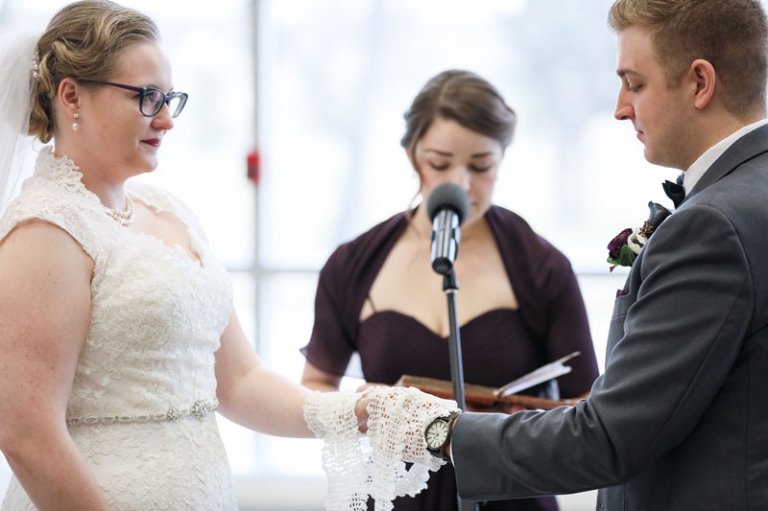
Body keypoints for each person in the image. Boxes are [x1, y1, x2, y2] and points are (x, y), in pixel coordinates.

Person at [0, 2, 443, 510]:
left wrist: (360, 410)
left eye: (169, 98)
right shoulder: (45, 231)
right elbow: (26, 434)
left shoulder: (171, 213)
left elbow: (238, 380)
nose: (165, 120)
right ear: (71, 95)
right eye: (147, 98)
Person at [395, 0, 768, 509]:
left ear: (700, 83)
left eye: (634, 83)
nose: (620, 107)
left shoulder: (710, 228)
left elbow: (609, 436)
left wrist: (441, 430)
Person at [300, 69, 600, 511]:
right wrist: (361, 410)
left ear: (502, 159)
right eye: (440, 164)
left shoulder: (542, 267)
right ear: (411, 155)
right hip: (394, 496)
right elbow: (316, 385)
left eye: (481, 166)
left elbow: (588, 405)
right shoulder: (352, 264)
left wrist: (524, 423)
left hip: (511, 495)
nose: (460, 183)